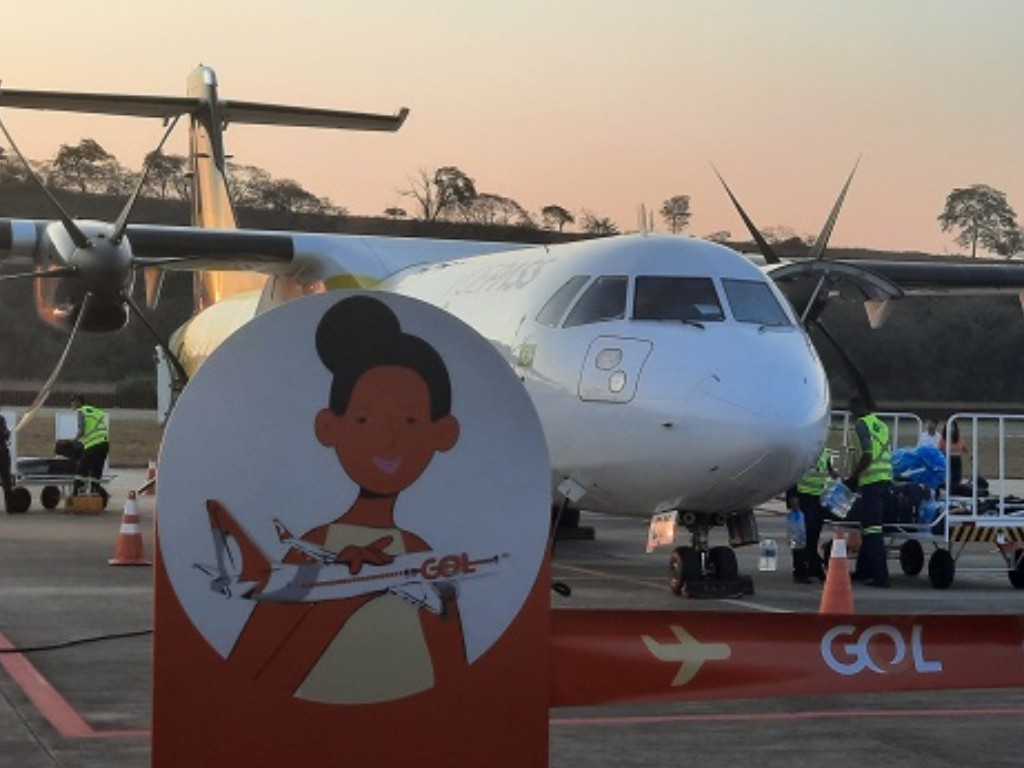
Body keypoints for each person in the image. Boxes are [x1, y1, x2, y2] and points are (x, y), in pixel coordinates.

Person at [221, 295, 467, 703]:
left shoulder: (421, 557)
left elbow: (456, 680)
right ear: (329, 427)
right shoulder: (317, 549)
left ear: (442, 433)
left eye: (410, 420)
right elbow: (251, 675)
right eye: (364, 419)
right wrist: (341, 596)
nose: (388, 439)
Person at [844, 396, 892, 588]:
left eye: (851, 410)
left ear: (857, 409)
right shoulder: (881, 425)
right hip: (884, 480)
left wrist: (853, 477)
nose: (851, 415)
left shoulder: (862, 425)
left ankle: (880, 576)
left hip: (871, 481)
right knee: (867, 527)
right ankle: (863, 570)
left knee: (872, 530)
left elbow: (867, 454)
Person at [791, 447, 837, 583]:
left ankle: (812, 566)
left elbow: (830, 472)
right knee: (801, 537)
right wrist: (793, 497)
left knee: (813, 535)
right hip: (803, 497)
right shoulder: (802, 450)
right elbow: (792, 475)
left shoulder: (824, 451)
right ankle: (800, 570)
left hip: (817, 499)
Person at [71, 394, 110, 505]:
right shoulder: (94, 410)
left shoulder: (81, 411)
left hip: (94, 444)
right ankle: (96, 496)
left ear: (78, 401)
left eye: (72, 402)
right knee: (96, 471)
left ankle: (75, 496)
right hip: (104, 444)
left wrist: (73, 441)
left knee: (81, 470)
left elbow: (82, 430)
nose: (72, 405)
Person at [939, 421, 968, 489]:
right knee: (947, 477)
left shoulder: (959, 438)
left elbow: (964, 448)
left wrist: (969, 455)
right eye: (949, 427)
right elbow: (939, 449)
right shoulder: (943, 439)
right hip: (947, 459)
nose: (951, 429)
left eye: (953, 427)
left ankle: (955, 489)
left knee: (957, 477)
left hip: (957, 459)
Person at [0, 411, 12, 513]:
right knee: (6, 480)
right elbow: (4, 435)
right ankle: (9, 507)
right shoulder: (1, 419)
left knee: (6, 480)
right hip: (2, 453)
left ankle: (10, 506)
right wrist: (8, 433)